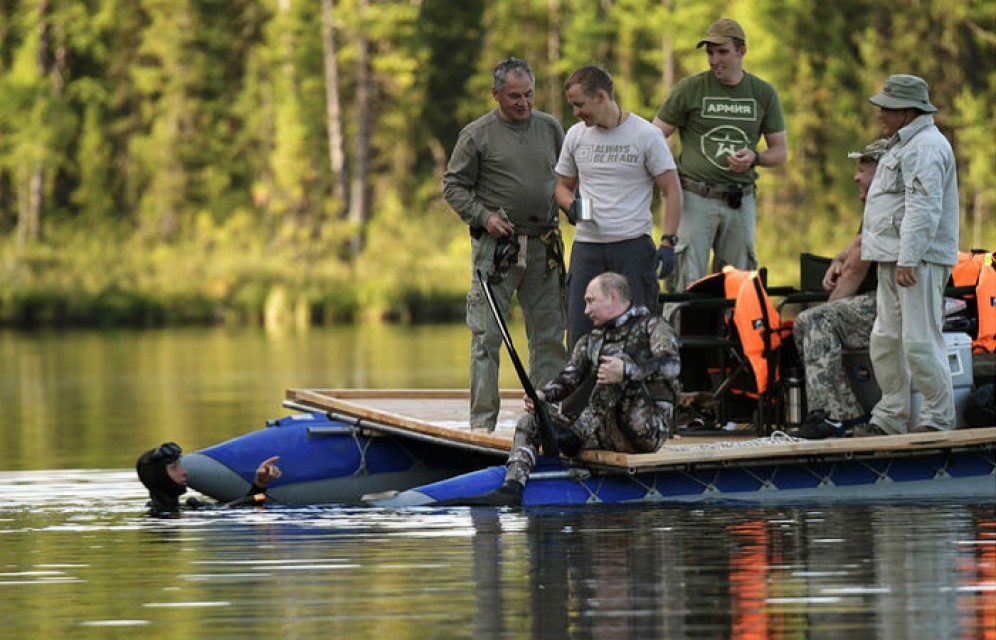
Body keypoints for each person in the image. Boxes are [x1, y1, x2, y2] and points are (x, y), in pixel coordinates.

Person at [465, 272, 681, 506]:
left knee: (615, 362)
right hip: (605, 432)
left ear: (613, 296)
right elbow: (569, 378)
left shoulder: (654, 325)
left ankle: (574, 436)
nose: (586, 310)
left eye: (590, 301)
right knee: (532, 419)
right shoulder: (592, 339)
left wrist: (628, 370)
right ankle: (512, 486)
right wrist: (543, 395)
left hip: (647, 431)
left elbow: (673, 365)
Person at [443, 57, 568, 433]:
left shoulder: (551, 128)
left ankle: (546, 419)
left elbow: (568, 177)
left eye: (529, 94)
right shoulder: (476, 135)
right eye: (514, 96)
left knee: (549, 336)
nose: (523, 103)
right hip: (498, 251)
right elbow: (453, 186)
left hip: (545, 247)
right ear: (495, 94)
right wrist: (485, 217)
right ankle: (482, 426)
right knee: (487, 338)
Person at [653, 18, 788, 295]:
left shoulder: (763, 93)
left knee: (740, 285)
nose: (714, 60)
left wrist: (755, 157)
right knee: (686, 282)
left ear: (742, 52)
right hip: (694, 199)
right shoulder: (690, 89)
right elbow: (652, 137)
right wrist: (668, 178)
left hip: (741, 200)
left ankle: (736, 338)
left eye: (722, 52)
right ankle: (679, 338)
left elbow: (780, 152)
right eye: (709, 53)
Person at [556, 65, 683, 354]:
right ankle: (578, 401)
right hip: (587, 248)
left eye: (579, 104)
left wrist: (668, 241)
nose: (576, 112)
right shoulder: (576, 136)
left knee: (639, 335)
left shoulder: (646, 135)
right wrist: (570, 206)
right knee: (579, 336)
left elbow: (671, 190)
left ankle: (641, 400)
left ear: (601, 97)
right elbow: (562, 186)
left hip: (632, 248)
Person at [861, 74, 959, 434]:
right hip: (894, 258)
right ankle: (890, 417)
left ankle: (937, 419)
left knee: (920, 339)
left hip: (916, 260)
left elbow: (923, 206)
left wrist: (909, 257)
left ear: (907, 110)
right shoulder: (903, 143)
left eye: (886, 108)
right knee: (885, 339)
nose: (880, 114)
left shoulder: (926, 146)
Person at [792, 139, 889, 439]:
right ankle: (843, 413)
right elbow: (858, 245)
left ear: (883, 172)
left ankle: (834, 416)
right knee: (802, 323)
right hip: (882, 301)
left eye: (863, 169)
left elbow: (858, 265)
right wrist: (838, 256)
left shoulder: (885, 202)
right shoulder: (879, 203)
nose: (855, 177)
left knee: (817, 320)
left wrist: (827, 309)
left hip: (895, 301)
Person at [136, 442, 282, 517]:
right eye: (174, 468)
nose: (184, 472)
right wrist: (258, 491)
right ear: (160, 478)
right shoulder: (163, 515)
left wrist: (260, 483)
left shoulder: (187, 508)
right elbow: (243, 507)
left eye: (180, 465)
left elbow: (244, 507)